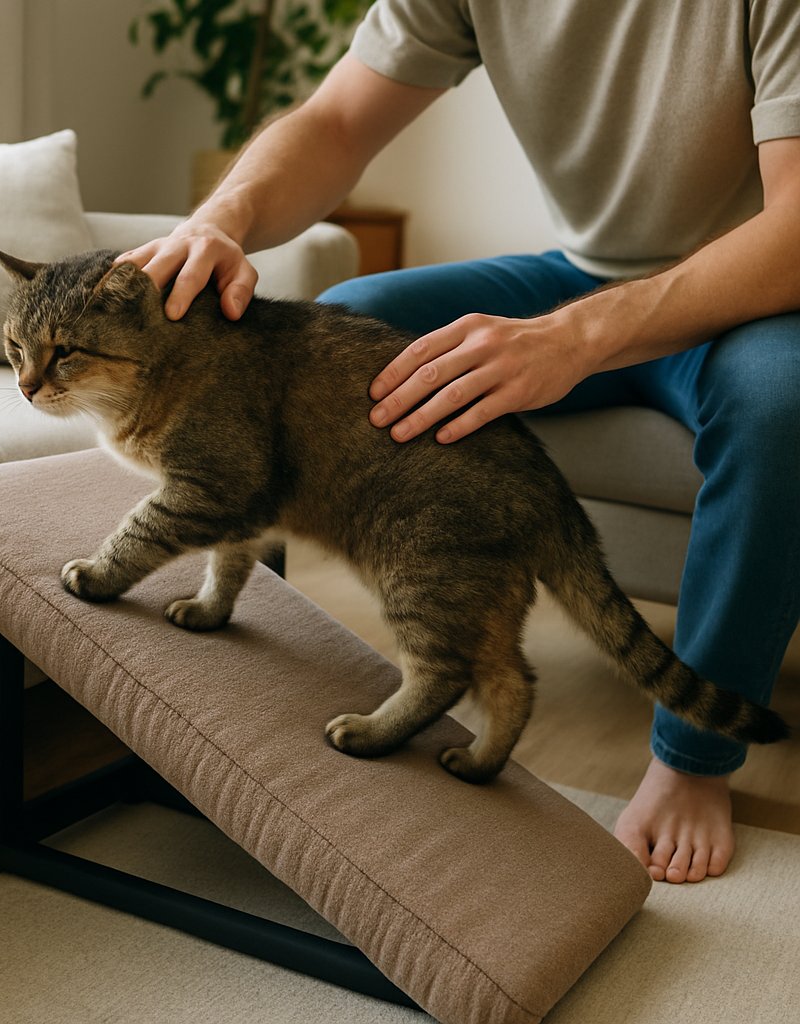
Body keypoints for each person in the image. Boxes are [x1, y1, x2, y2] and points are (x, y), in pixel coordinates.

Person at [117, 0, 800, 883]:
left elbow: (792, 228)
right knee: (338, 335)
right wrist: (223, 217)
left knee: (784, 406)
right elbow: (335, 122)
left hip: (751, 291)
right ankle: (288, 668)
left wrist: (575, 340)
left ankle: (693, 762)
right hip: (580, 269)